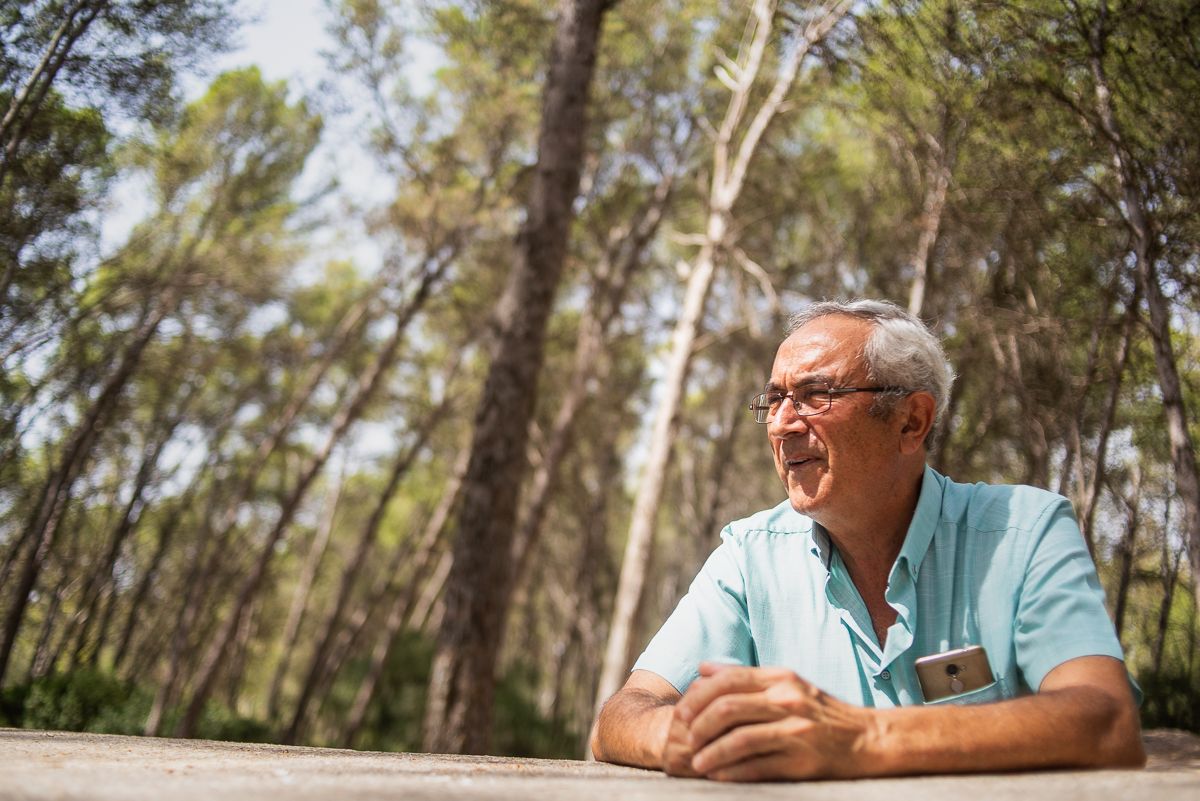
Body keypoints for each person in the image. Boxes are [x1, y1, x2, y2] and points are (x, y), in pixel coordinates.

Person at [591, 299, 1144, 781]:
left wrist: (861, 738)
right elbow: (621, 716)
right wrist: (681, 736)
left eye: (814, 395)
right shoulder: (749, 553)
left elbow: (1107, 719)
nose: (781, 425)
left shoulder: (1025, 533)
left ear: (911, 422)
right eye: (774, 399)